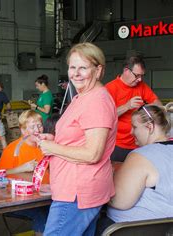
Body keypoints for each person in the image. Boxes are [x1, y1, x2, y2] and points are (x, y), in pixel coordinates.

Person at [38, 42, 117, 236]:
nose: (76, 73)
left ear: (98, 70)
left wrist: (52, 148)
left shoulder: (97, 101)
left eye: (83, 67)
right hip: (74, 189)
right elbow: (78, 137)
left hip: (78, 192)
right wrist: (54, 139)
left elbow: (92, 153)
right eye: (72, 67)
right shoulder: (81, 97)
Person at [95, 105, 173, 234]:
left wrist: (108, 177)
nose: (131, 132)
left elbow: (120, 201)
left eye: (135, 127)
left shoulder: (142, 155)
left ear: (150, 127)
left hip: (133, 228)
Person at [0, 110, 49, 236]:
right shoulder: (13, 149)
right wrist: (21, 169)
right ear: (23, 130)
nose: (37, 130)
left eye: (39, 125)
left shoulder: (46, 146)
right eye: (32, 127)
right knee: (42, 214)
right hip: (19, 201)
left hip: (45, 197)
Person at [106, 56, 162, 162]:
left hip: (139, 143)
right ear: (126, 71)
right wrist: (127, 106)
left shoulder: (141, 86)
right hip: (117, 145)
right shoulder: (110, 89)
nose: (140, 79)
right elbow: (105, 116)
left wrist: (152, 108)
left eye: (141, 76)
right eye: (137, 75)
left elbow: (156, 102)